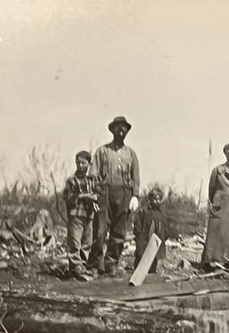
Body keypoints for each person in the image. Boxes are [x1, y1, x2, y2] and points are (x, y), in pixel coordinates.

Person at [90, 115, 140, 275]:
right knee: (100, 230)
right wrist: (93, 196)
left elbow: (136, 177)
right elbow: (92, 176)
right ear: (112, 130)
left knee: (119, 232)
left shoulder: (131, 154)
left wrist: (135, 196)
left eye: (124, 127)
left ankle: (111, 263)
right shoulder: (102, 151)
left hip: (124, 193)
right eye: (117, 127)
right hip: (104, 192)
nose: (121, 130)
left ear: (127, 131)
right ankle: (95, 263)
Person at [62, 150, 100, 280]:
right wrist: (84, 196)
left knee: (87, 241)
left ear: (89, 163)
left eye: (83, 163)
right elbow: (67, 196)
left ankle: (83, 266)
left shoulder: (93, 180)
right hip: (76, 213)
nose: (80, 165)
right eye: (78, 162)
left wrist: (95, 197)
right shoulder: (72, 180)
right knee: (74, 241)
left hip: (89, 214)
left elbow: (99, 193)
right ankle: (75, 267)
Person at [133, 187, 169, 275]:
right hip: (145, 237)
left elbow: (165, 225)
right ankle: (138, 270)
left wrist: (165, 234)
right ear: (150, 199)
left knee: (155, 256)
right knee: (141, 254)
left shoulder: (161, 213)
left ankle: (153, 271)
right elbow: (137, 223)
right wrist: (138, 233)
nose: (157, 201)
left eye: (159, 199)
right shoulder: (144, 211)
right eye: (155, 199)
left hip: (157, 237)